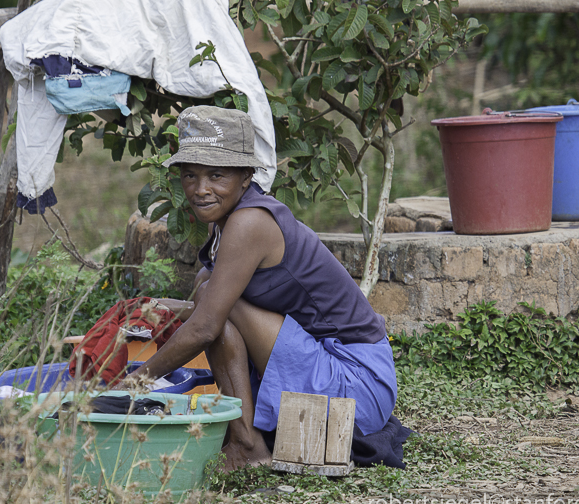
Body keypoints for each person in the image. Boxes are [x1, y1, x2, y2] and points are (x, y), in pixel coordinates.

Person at [120, 105, 397, 471]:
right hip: (330, 364)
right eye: (190, 176)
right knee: (208, 295)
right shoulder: (226, 218)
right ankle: (247, 438)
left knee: (212, 306)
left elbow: (206, 325)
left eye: (216, 175)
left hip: (357, 383)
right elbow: (208, 307)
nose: (201, 190)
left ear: (246, 177)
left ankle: (247, 445)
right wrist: (153, 306)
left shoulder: (250, 223)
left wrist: (131, 386)